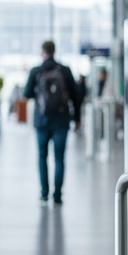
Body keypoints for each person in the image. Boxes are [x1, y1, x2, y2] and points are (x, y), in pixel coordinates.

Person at [23, 40, 82, 205]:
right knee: (59, 158)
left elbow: (27, 93)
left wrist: (40, 96)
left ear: (43, 52)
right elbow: (75, 97)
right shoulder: (64, 70)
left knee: (42, 156)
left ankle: (44, 192)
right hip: (61, 121)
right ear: (54, 51)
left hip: (41, 121)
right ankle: (57, 195)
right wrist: (77, 119)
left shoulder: (36, 71)